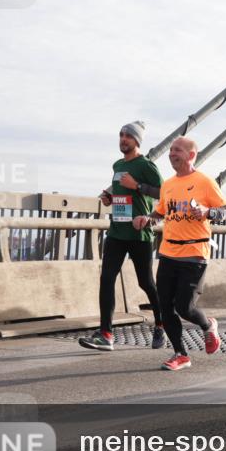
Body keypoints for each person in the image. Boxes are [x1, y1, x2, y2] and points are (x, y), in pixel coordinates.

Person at [132, 136, 226, 371]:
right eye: (171, 150)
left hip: (194, 253)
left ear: (191, 155)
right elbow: (161, 212)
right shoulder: (168, 184)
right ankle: (180, 354)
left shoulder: (205, 181)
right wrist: (147, 219)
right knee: (165, 307)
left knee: (184, 308)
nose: (171, 154)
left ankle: (208, 325)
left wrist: (208, 212)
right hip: (168, 252)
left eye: (177, 150)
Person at [79, 121, 166, 352]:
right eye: (121, 135)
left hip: (139, 234)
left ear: (137, 141)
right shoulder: (117, 165)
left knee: (145, 282)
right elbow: (121, 193)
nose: (123, 139)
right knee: (106, 279)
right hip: (117, 231)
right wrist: (110, 198)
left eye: (128, 136)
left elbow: (163, 193)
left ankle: (161, 324)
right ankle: (106, 334)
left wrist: (136, 185)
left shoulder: (146, 165)